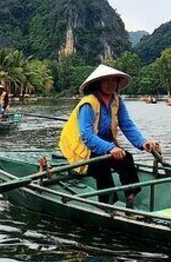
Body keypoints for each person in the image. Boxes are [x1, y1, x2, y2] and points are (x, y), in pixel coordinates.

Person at [59, 64, 161, 208]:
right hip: (82, 148)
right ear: (98, 83)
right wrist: (110, 148)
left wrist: (143, 142)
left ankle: (130, 198)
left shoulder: (117, 101)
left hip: (106, 144)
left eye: (114, 81)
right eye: (106, 80)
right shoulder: (88, 104)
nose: (110, 84)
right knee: (102, 165)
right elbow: (87, 136)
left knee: (127, 158)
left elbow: (127, 125)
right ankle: (107, 204)